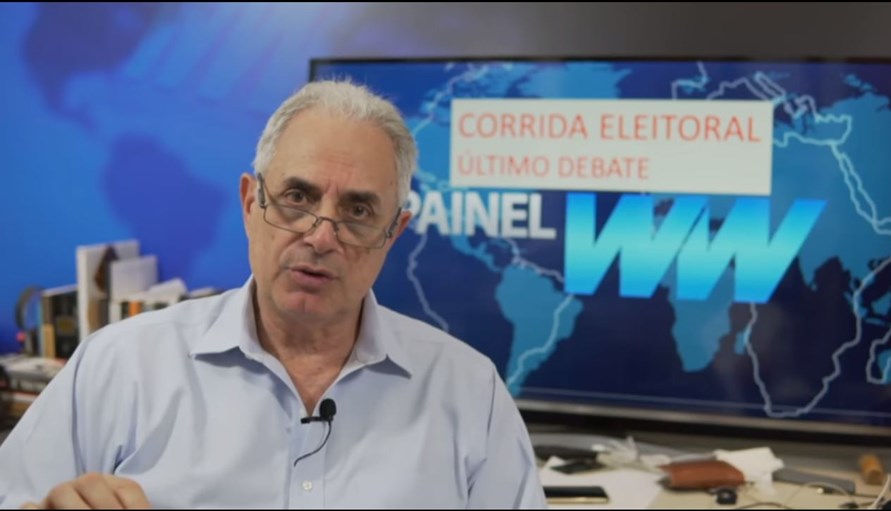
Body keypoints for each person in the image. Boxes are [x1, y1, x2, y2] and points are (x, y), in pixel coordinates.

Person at [0, 80, 547, 509]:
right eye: (297, 197)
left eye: (358, 210)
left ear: (393, 233)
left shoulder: (469, 394)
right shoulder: (119, 367)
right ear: (249, 204)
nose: (321, 236)